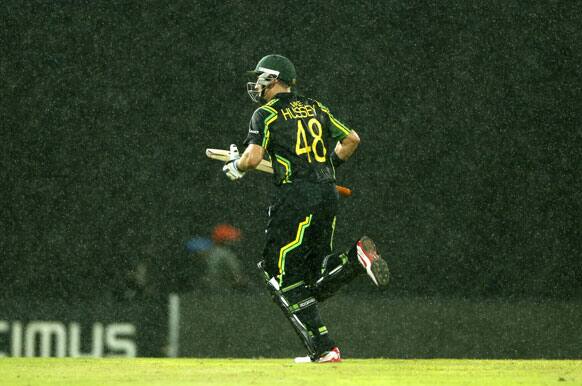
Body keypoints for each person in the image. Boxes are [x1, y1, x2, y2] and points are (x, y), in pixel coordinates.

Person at [221, 54, 389, 363]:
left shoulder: (265, 114)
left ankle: (324, 346)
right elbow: (351, 139)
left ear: (273, 79)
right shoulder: (316, 107)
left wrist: (237, 166)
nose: (256, 84)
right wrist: (326, 169)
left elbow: (253, 157)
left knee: (276, 273)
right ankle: (353, 264)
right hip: (327, 194)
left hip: (296, 197)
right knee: (311, 279)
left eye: (260, 78)